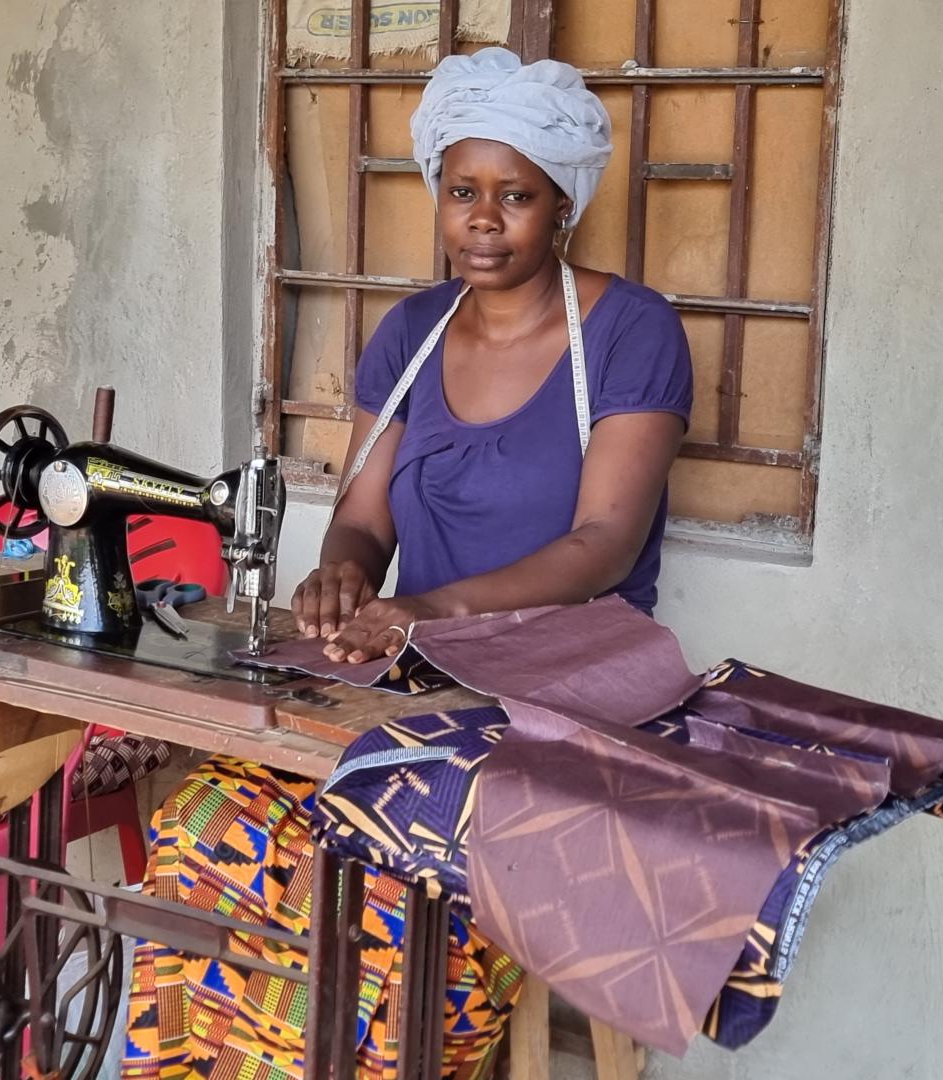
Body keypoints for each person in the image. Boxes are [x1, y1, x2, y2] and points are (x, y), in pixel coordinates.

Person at [121, 46, 692, 1080]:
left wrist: (422, 608)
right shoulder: (414, 334)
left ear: (562, 205)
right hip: (415, 681)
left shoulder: (630, 332)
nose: (483, 217)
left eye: (515, 195)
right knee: (207, 819)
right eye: (462, 190)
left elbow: (601, 546)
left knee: (383, 887)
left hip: (562, 696)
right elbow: (363, 517)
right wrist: (342, 572)